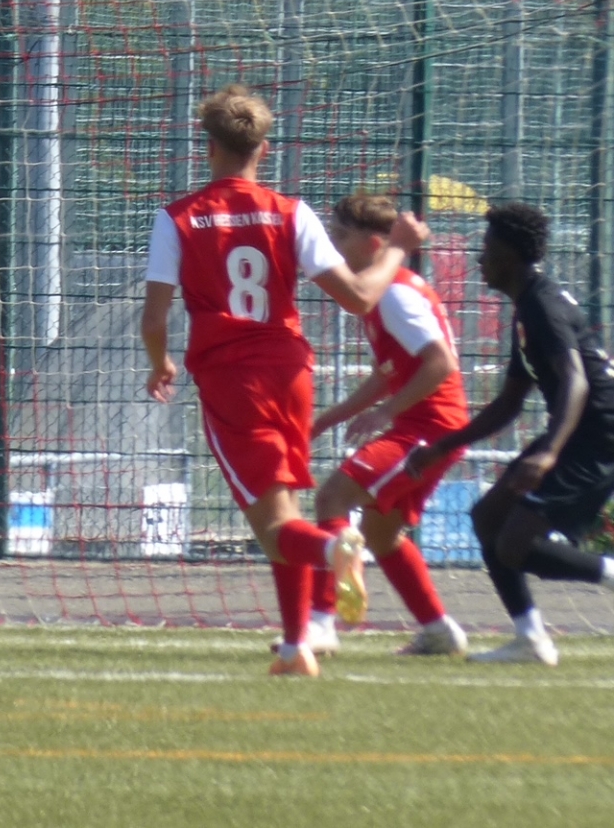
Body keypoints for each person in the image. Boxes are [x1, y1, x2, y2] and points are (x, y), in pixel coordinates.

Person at [141, 85, 426, 677]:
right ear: (263, 149)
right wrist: (397, 251)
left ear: (208, 146)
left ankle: (334, 548)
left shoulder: (178, 218)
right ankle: (297, 646)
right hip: (292, 372)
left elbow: (154, 319)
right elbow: (359, 297)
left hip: (232, 379)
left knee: (276, 530)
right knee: (285, 508)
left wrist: (159, 361)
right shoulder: (292, 212)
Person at [407, 203, 614, 665]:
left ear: (510, 255)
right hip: (579, 428)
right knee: (488, 518)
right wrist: (442, 447)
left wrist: (549, 452)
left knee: (514, 544)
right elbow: (509, 403)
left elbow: (576, 380)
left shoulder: (542, 305)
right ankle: (531, 640)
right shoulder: (527, 307)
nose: (480, 258)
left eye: (487, 247)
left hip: (598, 432)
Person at [308, 195, 470, 657]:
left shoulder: (396, 293)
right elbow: (388, 374)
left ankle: (321, 622)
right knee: (380, 534)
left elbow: (439, 364)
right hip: (429, 425)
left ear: (375, 244)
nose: (333, 245)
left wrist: (386, 412)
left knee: (332, 498)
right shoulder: (381, 294)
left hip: (430, 428)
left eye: (341, 236)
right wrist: (327, 419)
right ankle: (439, 630)